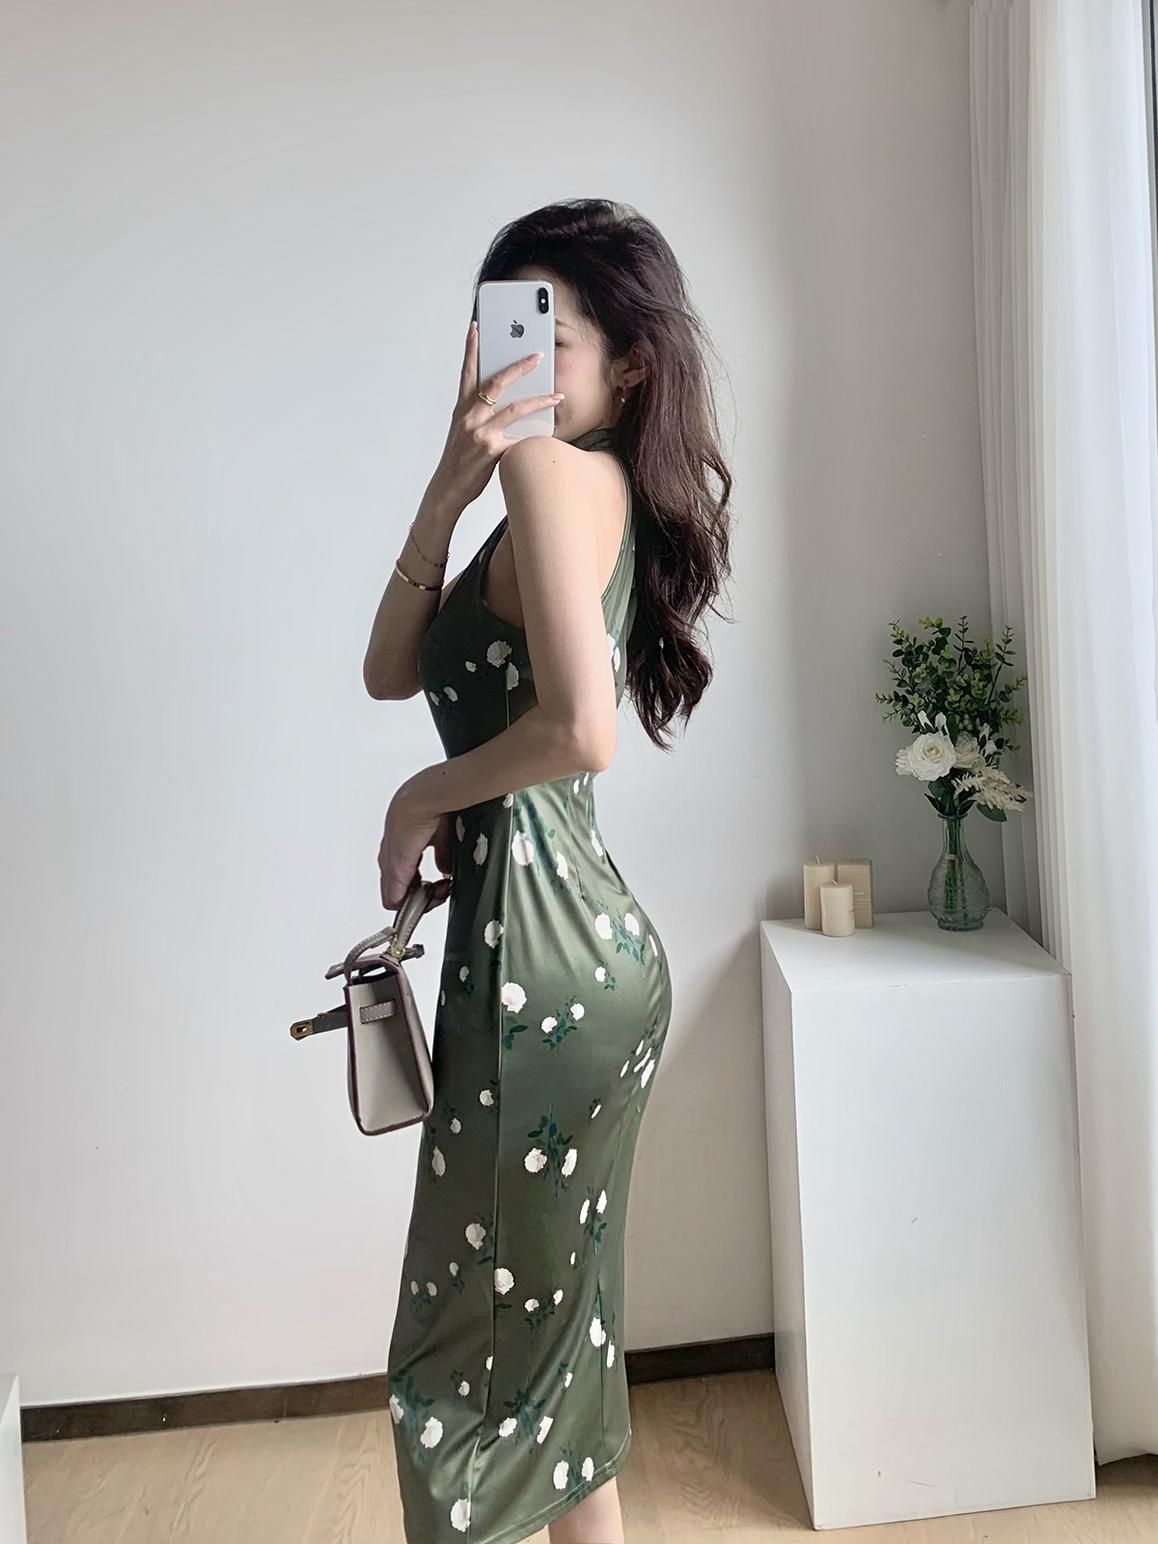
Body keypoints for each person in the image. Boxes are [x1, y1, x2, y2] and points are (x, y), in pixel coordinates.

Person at [363, 197, 733, 1544]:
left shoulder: (556, 478)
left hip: (542, 971)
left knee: (463, 1367)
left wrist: (422, 795)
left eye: (549, 337)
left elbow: (580, 732)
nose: (515, 363)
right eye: (498, 330)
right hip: (562, 962)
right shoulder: (550, 481)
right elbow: (388, 669)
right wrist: (447, 479)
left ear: (629, 366)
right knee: (547, 1355)